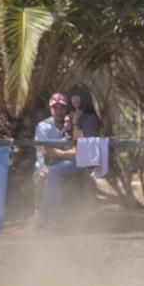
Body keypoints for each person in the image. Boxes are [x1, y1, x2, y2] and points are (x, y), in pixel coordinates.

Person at [41, 83, 102, 227]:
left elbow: (85, 145)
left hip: (82, 161)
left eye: (78, 96)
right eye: (73, 96)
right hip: (74, 157)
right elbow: (69, 139)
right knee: (49, 171)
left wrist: (74, 125)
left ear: (84, 98)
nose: (75, 99)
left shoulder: (89, 118)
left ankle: (51, 219)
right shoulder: (73, 115)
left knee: (54, 173)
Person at [29, 93, 69, 225]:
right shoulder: (43, 126)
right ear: (50, 109)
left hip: (65, 164)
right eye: (55, 107)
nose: (58, 111)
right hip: (47, 164)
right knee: (40, 177)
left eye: (61, 107)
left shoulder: (71, 124)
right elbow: (41, 149)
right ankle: (38, 213)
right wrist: (42, 166)